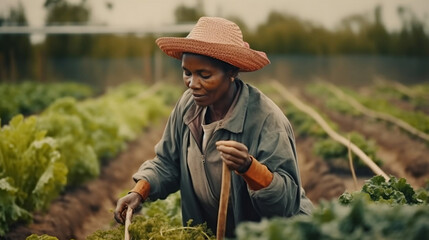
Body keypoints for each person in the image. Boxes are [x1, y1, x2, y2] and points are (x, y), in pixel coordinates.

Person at [114, 16, 313, 237]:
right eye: (187, 73)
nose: (192, 84)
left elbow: (285, 204)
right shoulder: (187, 106)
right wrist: (140, 191)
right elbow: (168, 163)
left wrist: (249, 168)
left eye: (204, 75)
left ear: (232, 72)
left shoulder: (266, 120)